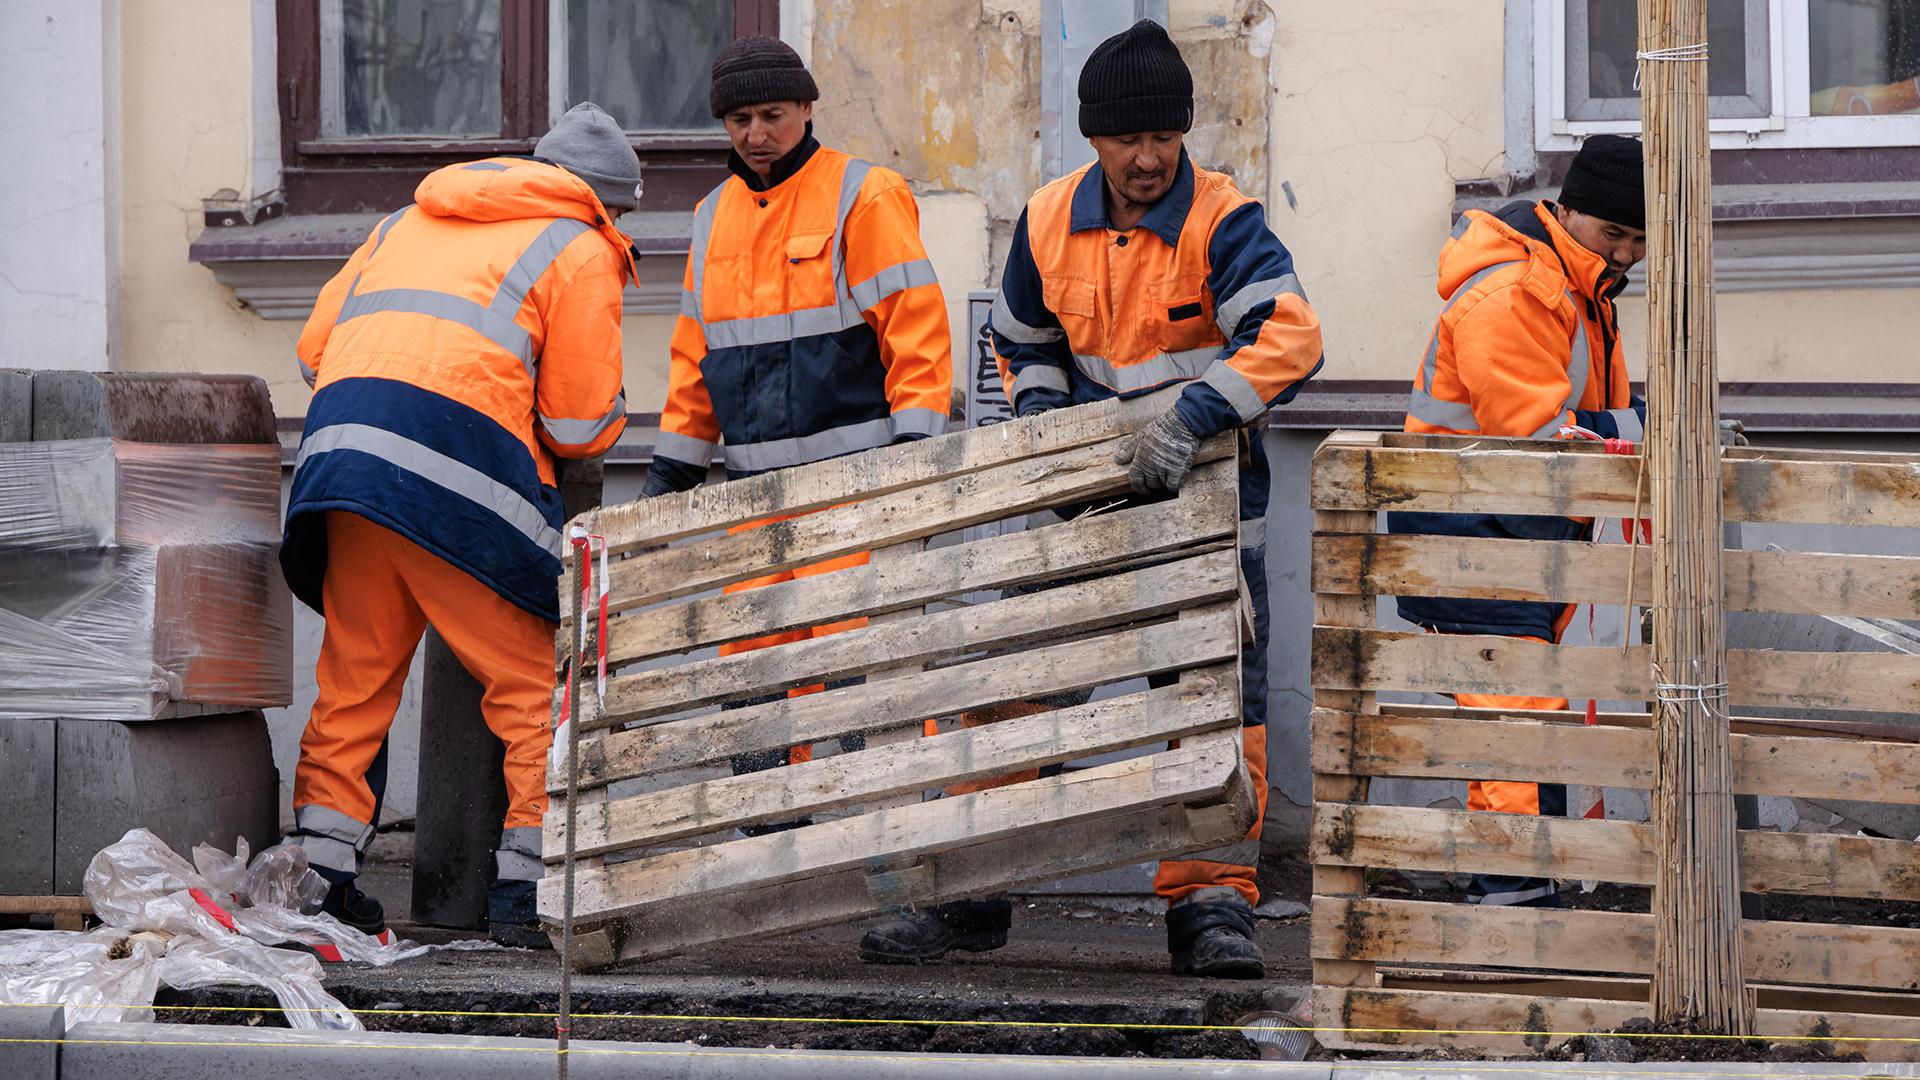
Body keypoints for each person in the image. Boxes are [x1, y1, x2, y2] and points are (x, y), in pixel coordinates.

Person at [857, 19, 1323, 978]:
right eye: (1126, 140)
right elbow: (1024, 342)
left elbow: (1291, 338)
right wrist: (1054, 436)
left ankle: (1209, 906)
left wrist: (1189, 419)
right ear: (1092, 138)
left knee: (1208, 704)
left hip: (1205, 522)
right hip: (1084, 509)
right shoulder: (1044, 218)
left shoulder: (1223, 221)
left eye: (1163, 137)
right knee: (1018, 691)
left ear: (1185, 133)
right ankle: (972, 889)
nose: (1147, 158)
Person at [281, 102, 638, 947]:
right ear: (607, 201)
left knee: (355, 680)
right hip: (453, 476)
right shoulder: (580, 243)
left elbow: (311, 350)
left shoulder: (407, 218)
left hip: (343, 463)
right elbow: (580, 426)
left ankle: (320, 876)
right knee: (527, 682)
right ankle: (525, 888)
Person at [640, 37, 953, 801]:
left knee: (850, 658)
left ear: (807, 108)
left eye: (772, 114)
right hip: (752, 500)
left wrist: (914, 463)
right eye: (739, 119)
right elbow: (696, 356)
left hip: (853, 493)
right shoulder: (713, 216)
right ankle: (768, 829)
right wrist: (672, 473)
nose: (756, 134)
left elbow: (915, 330)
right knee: (751, 662)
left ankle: (869, 825)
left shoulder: (862, 194)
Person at [1388, 134, 1651, 908]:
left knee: (1521, 712)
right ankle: (1513, 905)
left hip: (1504, 530)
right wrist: (1640, 427)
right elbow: (1539, 433)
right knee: (1517, 715)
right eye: (1614, 234)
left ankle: (1517, 894)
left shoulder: (1575, 284)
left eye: (1639, 238)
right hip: (1474, 532)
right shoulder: (1520, 292)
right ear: (1567, 214)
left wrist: (1624, 422)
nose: (1629, 253)